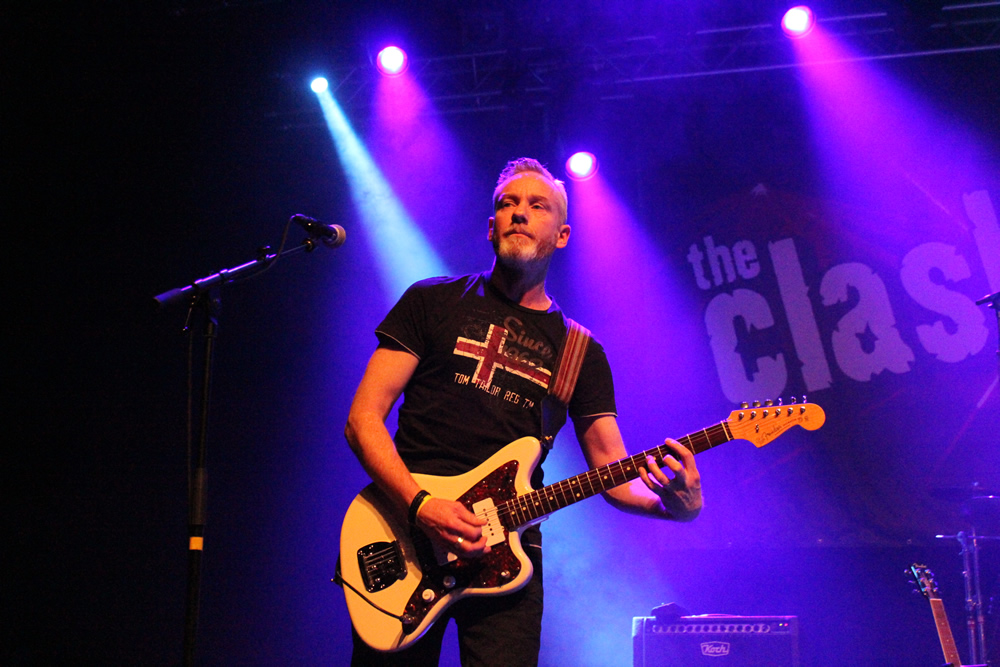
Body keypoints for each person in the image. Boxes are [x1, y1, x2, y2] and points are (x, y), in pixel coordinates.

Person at [344, 157, 703, 666]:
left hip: (506, 553)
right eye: (507, 204)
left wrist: (674, 506)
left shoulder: (580, 351)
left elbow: (613, 471)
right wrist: (421, 505)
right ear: (491, 228)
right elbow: (362, 420)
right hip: (403, 531)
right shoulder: (431, 302)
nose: (519, 213)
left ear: (561, 235)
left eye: (538, 206)